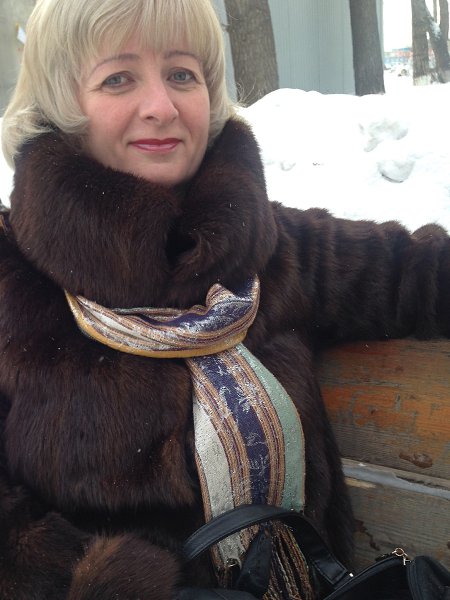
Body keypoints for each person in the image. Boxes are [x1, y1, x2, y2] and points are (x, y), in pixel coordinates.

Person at [0, 0, 449, 598]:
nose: (161, 106)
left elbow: (416, 276)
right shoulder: (14, 282)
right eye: (118, 78)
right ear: (62, 105)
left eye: (182, 74)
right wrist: (103, 582)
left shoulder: (269, 249)